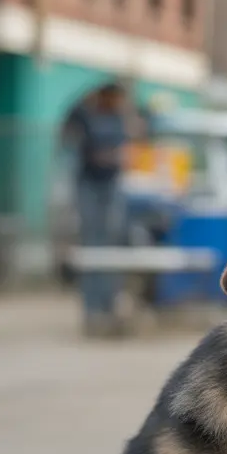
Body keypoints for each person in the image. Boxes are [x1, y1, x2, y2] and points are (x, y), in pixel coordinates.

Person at [63, 82, 133, 338]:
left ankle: (109, 305)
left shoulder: (118, 119)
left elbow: (127, 143)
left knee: (112, 244)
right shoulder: (86, 115)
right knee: (93, 245)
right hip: (89, 185)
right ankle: (92, 310)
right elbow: (70, 129)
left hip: (111, 184)